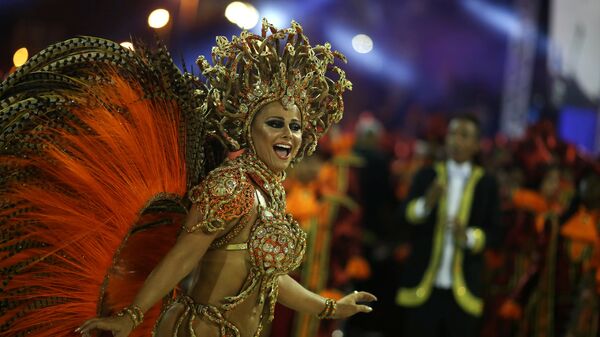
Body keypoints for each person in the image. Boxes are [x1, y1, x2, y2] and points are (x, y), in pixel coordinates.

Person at [0, 20, 375, 337]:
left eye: (295, 127)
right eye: (274, 124)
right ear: (249, 130)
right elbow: (182, 257)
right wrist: (131, 316)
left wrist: (329, 307)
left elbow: (269, 279)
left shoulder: (269, 193)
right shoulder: (231, 187)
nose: (288, 135)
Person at [396, 114, 501, 337]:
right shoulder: (427, 174)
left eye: (464, 136)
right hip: (423, 285)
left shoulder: (487, 183)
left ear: (475, 145)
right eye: (453, 133)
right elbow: (404, 216)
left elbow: (496, 232)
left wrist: (470, 237)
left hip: (463, 291)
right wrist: (427, 203)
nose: (456, 141)